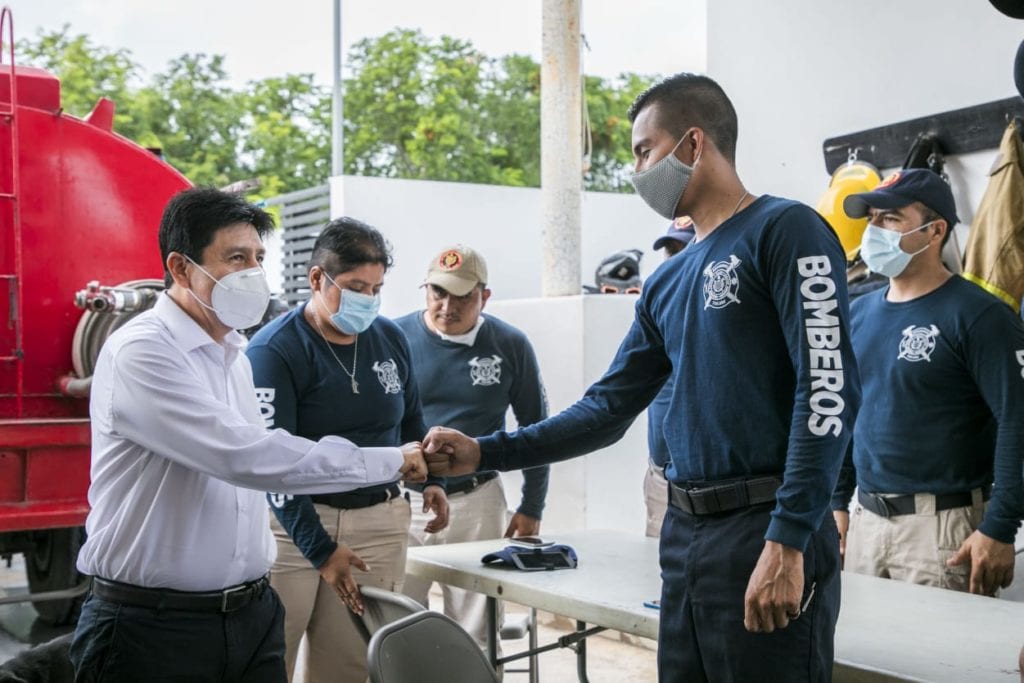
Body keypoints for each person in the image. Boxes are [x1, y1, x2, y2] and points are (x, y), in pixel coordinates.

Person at [423, 72, 860, 682]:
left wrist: (789, 538)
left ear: (693, 144)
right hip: (684, 539)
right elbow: (605, 410)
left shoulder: (786, 231)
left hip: (764, 529)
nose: (636, 169)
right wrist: (485, 452)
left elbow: (830, 390)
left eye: (643, 150)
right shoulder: (665, 282)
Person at [70, 188, 427, 683]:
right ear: (180, 267)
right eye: (235, 257)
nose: (252, 273)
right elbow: (250, 458)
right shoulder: (143, 352)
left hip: (250, 614)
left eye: (258, 258)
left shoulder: (232, 354)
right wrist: (393, 460)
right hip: (153, 626)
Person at [245, 218, 448, 683]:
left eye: (376, 288)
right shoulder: (274, 351)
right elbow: (273, 464)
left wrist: (433, 479)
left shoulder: (390, 337)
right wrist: (321, 550)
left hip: (377, 525)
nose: (369, 300)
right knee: (270, 657)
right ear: (318, 278)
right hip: (293, 530)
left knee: (352, 664)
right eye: (356, 286)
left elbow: (410, 420)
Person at [830, 168, 1024, 596]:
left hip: (942, 532)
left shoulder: (981, 316)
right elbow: (849, 415)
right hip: (865, 522)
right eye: (872, 219)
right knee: (862, 659)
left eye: (891, 219)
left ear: (934, 231)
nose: (875, 230)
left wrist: (1001, 527)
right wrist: (836, 502)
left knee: (941, 663)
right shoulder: (858, 314)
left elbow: (1018, 421)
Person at [395, 244, 550, 648]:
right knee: (395, 622)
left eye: (463, 296)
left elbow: (536, 429)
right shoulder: (394, 339)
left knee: (476, 627)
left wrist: (532, 507)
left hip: (478, 500)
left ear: (484, 296)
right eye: (437, 292)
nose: (447, 305)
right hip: (404, 500)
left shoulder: (510, 344)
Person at [644, 218, 695, 537]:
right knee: (656, 580)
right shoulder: (658, 311)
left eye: (684, 249)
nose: (675, 260)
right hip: (661, 478)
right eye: (670, 251)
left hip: (707, 486)